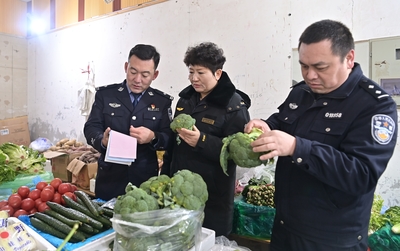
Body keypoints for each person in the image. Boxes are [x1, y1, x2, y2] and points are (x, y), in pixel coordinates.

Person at [245, 19, 398, 251]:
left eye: (320, 67)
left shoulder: (374, 106)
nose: (310, 75)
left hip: (331, 239)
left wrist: (298, 148)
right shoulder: (301, 93)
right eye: (304, 66)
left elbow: (362, 174)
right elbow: (282, 122)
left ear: (348, 58)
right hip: (286, 227)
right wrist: (265, 125)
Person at [166, 42, 251, 237]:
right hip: (179, 191)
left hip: (213, 198)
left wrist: (201, 141)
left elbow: (236, 155)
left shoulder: (234, 106)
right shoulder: (185, 100)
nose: (194, 78)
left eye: (200, 72)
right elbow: (173, 144)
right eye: (191, 72)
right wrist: (167, 175)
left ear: (218, 74)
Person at [84, 44, 173, 201]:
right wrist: (102, 141)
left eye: (145, 75)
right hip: (110, 179)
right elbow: (91, 127)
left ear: (155, 75)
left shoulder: (161, 102)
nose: (137, 80)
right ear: (126, 67)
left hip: (145, 182)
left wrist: (153, 137)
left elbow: (170, 137)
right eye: (133, 72)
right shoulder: (106, 95)